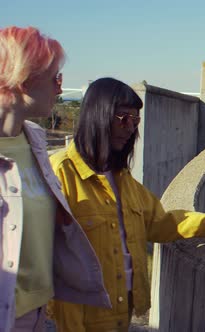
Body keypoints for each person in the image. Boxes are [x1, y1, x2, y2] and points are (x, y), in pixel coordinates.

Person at [49, 77, 205, 331]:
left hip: (121, 311)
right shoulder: (59, 174)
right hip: (78, 318)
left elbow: (160, 222)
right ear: (98, 115)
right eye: (123, 118)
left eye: (135, 120)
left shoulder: (122, 179)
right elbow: (45, 257)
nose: (130, 128)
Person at [0, 26, 110, 332]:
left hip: (38, 313)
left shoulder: (34, 142)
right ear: (23, 78)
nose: (60, 88)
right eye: (55, 78)